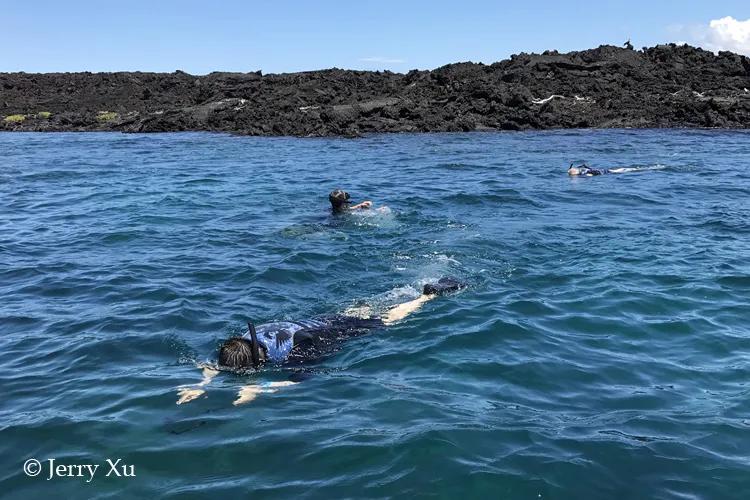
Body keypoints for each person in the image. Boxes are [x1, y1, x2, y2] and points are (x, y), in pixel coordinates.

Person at [176, 277, 466, 406]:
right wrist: (200, 385)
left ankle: (426, 296)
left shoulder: (296, 354)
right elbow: (216, 366)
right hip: (319, 318)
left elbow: (301, 380)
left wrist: (260, 388)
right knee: (360, 312)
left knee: (388, 321)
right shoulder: (240, 343)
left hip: (319, 334)